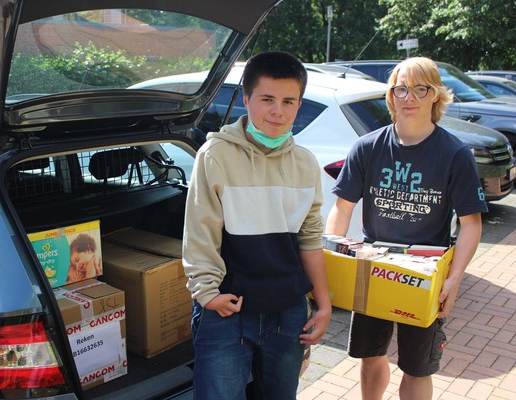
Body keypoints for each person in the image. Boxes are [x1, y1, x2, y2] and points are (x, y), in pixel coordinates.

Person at [326, 56, 488, 400]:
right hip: (373, 268)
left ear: (436, 95)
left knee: (417, 367)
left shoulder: (454, 154)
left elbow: (472, 224)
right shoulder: (367, 147)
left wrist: (454, 278)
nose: (409, 97)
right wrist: (335, 259)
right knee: (370, 357)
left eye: (420, 88)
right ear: (391, 96)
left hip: (425, 276)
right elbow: (341, 210)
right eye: (401, 89)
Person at [182, 51, 332, 400]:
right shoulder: (215, 155)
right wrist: (207, 294)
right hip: (227, 311)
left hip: (287, 312)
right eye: (267, 99)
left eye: (288, 101)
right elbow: (199, 232)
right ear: (247, 99)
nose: (277, 111)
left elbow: (310, 238)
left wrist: (322, 304)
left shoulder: (305, 163)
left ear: (298, 104)